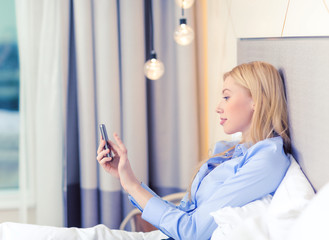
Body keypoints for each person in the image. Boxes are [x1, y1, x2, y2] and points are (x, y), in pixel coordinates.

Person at [96, 61, 291, 240]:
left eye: (226, 97)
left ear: (256, 100)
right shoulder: (230, 151)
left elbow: (192, 232)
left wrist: (132, 186)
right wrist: (127, 179)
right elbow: (185, 216)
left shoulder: (266, 160)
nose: (218, 107)